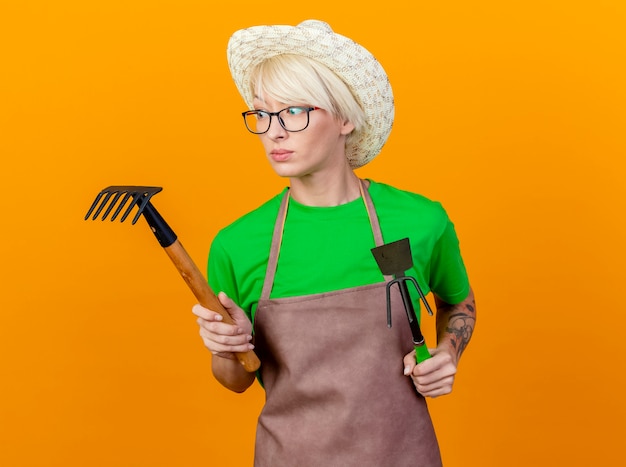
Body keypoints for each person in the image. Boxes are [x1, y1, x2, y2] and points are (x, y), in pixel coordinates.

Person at [192, 19, 476, 466]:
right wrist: (227, 348)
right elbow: (235, 380)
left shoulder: (418, 221)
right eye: (262, 114)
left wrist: (447, 353)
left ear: (345, 117)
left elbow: (458, 303)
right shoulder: (237, 244)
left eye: (294, 112)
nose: (274, 132)